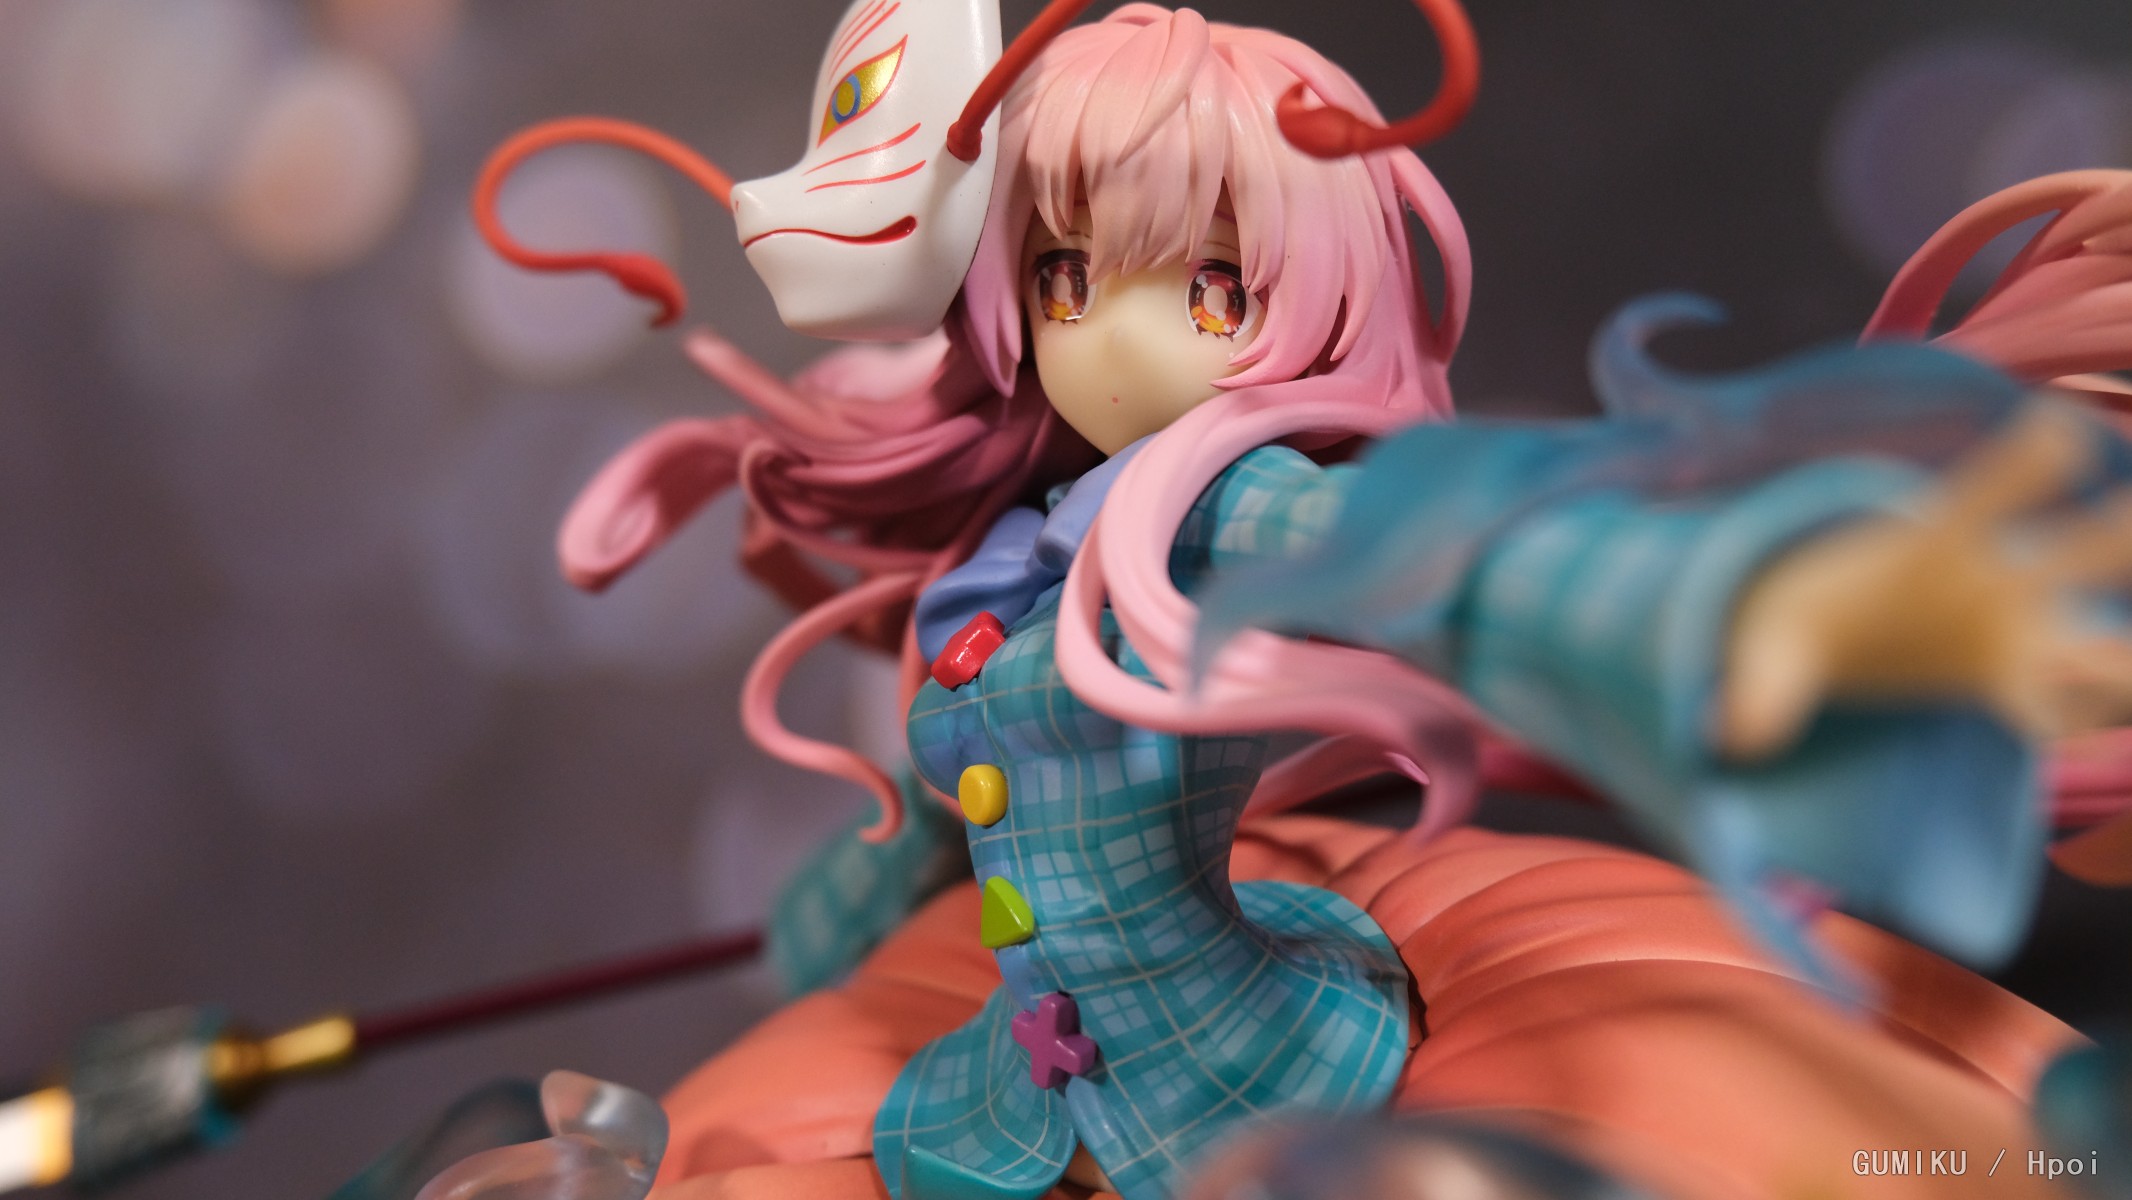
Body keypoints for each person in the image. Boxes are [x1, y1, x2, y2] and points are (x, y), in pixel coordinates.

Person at [447, 3, 2132, 1198]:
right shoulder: (1012, 550)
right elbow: (953, 806)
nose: (1114, 338)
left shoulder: (1223, 510)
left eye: (1209, 287)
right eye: (1064, 274)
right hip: (998, 1106)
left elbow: (1453, 554)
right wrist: (839, 922)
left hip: (1246, 1082)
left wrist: (1739, 617)